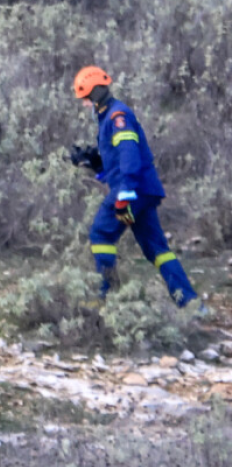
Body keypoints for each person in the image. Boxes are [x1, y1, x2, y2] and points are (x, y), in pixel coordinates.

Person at [68, 66, 199, 307]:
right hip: (142, 190)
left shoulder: (118, 116)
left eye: (85, 97)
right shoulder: (108, 116)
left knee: (101, 233)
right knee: (158, 250)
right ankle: (191, 304)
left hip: (133, 189)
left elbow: (130, 157)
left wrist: (123, 197)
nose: (85, 103)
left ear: (95, 92)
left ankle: (107, 299)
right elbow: (118, 163)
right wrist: (94, 162)